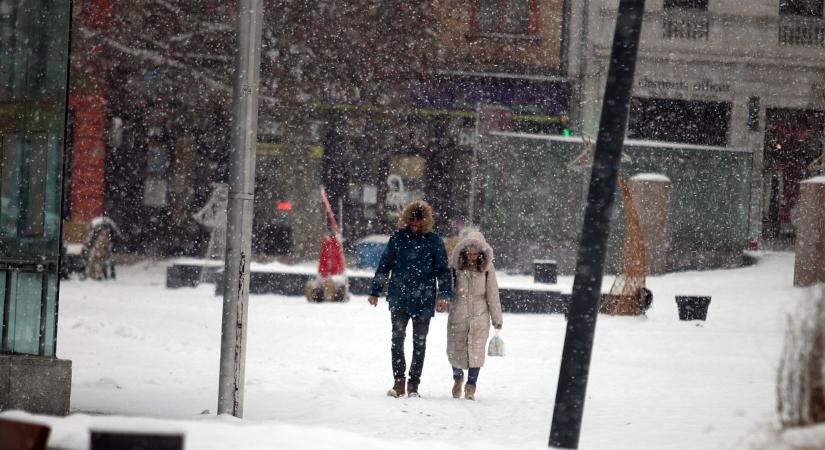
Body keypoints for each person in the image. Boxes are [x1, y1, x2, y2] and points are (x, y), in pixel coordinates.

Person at [368, 200, 452, 398]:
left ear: (425, 221)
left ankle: (414, 384)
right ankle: (399, 382)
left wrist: (444, 295)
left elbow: (442, 270)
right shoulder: (397, 239)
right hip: (399, 297)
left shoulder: (434, 241)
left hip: (424, 299)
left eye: (418, 221)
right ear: (406, 220)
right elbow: (384, 266)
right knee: (397, 340)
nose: (415, 225)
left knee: (419, 343)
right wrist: (375, 291)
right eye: (412, 221)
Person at [446, 229, 502, 400]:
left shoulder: (487, 269)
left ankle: (471, 385)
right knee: (455, 349)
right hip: (458, 313)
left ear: (481, 254)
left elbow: (492, 294)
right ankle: (457, 378)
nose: (471, 257)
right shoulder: (455, 267)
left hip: (480, 316)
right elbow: (447, 289)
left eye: (475, 254)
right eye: (469, 253)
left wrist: (497, 318)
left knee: (476, 352)